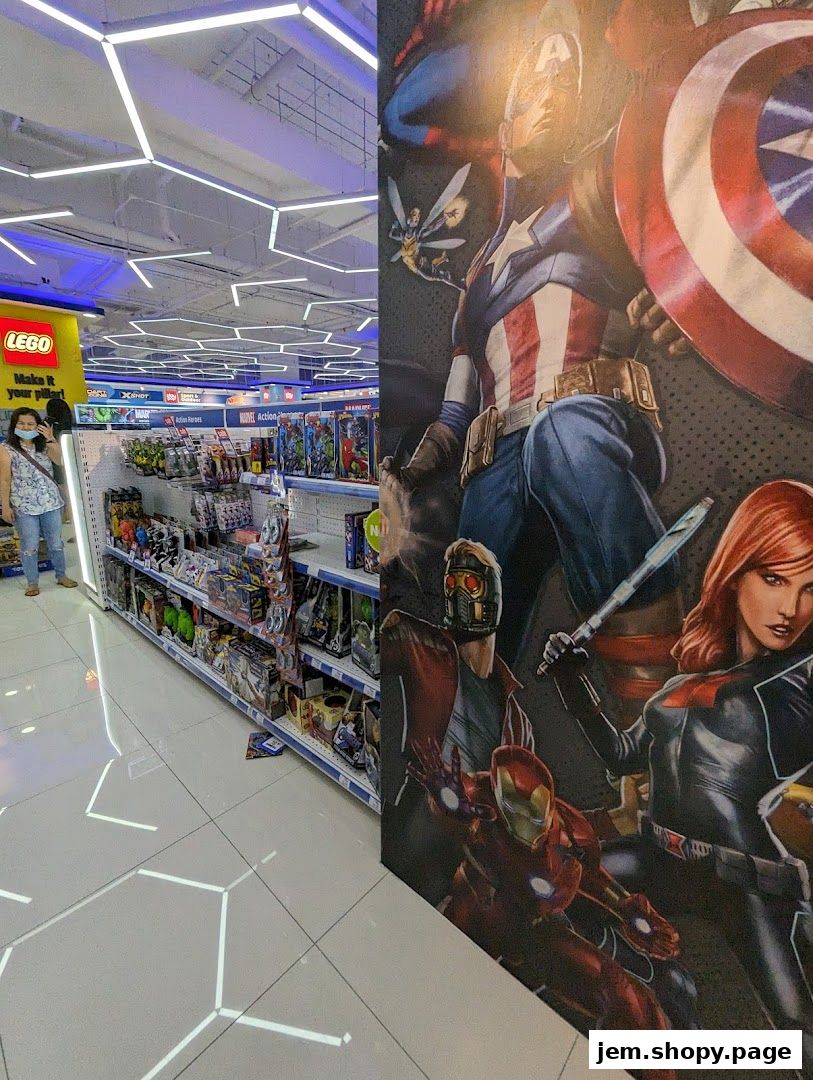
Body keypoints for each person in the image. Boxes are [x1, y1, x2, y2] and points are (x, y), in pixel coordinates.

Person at [382, 32, 689, 729]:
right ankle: (470, 755)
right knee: (475, 598)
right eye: (534, 90)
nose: (552, 101)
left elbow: (676, 251)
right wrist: (410, 467)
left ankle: (667, 718)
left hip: (586, 415)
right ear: (504, 121)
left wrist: (677, 303)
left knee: (567, 438)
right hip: (498, 457)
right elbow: (454, 412)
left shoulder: (598, 193)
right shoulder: (481, 269)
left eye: (565, 88)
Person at [543, 480, 813, 1067]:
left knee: (796, 1039)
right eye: (774, 579)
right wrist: (572, 680)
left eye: (810, 588)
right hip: (660, 857)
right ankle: (655, 1027)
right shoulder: (678, 688)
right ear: (735, 573)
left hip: (741, 879)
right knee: (557, 894)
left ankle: (695, 1050)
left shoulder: (798, 686)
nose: (791, 608)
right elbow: (620, 755)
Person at [383, 538, 698, 1028]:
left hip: (505, 881)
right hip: (431, 847)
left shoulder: (515, 713)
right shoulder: (420, 645)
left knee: (626, 1000)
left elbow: (555, 833)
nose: (460, 597)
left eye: (471, 582)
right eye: (451, 585)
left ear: (493, 595)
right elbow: (389, 634)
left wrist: (628, 911)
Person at [0, 407, 77, 597]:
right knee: (29, 546)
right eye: (21, 423)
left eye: (30, 424)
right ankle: (32, 582)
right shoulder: (6, 449)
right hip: (24, 506)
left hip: (51, 503)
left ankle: (61, 575)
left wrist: (51, 439)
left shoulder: (44, 445)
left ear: (38, 426)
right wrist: (5, 506)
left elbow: (60, 461)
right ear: (14, 425)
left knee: (56, 543)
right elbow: (5, 480)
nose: (26, 427)